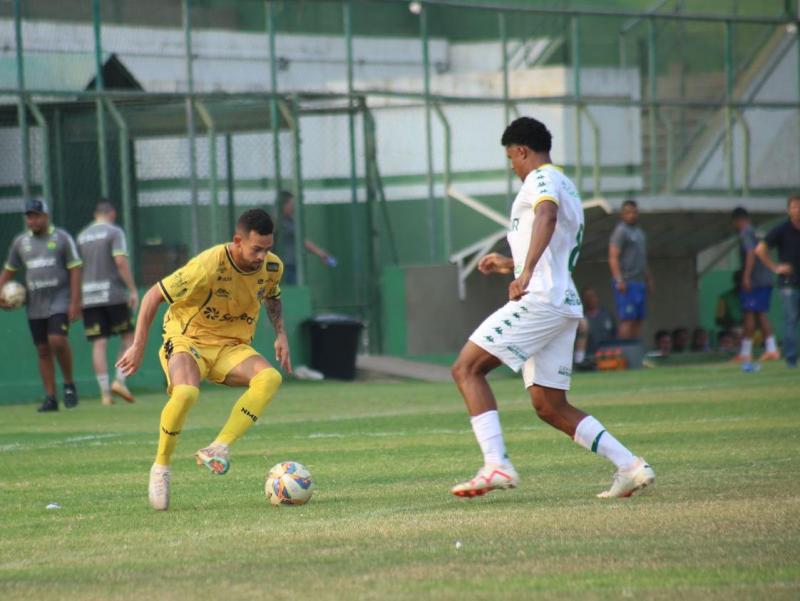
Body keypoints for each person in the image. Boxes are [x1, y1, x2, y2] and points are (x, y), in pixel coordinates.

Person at [449, 117, 654, 500]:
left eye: (512, 158)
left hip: (541, 299)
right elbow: (555, 243)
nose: (513, 166)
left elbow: (546, 216)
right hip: (562, 302)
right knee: (549, 404)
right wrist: (510, 263)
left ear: (522, 151)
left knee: (467, 368)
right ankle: (630, 466)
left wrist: (523, 273)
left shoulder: (540, 179)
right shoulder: (567, 185)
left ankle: (496, 464)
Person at [116, 209, 291, 510]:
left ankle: (218, 447)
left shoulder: (273, 267)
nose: (263, 256)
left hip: (231, 346)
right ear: (238, 241)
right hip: (188, 339)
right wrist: (138, 346)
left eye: (268, 248)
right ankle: (161, 468)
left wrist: (281, 334)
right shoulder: (208, 265)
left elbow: (272, 296)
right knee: (186, 393)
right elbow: (152, 296)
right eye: (256, 249)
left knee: (270, 378)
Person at [0, 199, 82, 412]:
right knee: (43, 349)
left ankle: (69, 384)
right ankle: (51, 397)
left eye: (36, 215)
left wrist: (75, 302)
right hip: (35, 304)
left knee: (56, 339)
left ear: (46, 216)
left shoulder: (62, 238)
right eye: (29, 216)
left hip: (60, 300)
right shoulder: (20, 243)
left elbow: (75, 269)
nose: (32, 220)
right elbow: (9, 270)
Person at [77, 200, 139, 405]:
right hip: (112, 294)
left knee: (99, 343)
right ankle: (119, 381)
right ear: (112, 213)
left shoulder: (82, 236)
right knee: (128, 337)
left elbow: (77, 269)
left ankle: (105, 394)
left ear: (96, 214)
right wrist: (131, 289)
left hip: (89, 296)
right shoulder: (114, 232)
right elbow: (121, 262)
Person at [755, 194, 800, 368]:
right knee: (790, 321)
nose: (797, 210)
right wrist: (775, 267)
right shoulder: (782, 229)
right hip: (789, 283)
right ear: (789, 210)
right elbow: (760, 250)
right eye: (794, 207)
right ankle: (791, 360)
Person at [731, 207, 779, 362]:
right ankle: (771, 349)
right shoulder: (756, 231)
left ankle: (747, 353)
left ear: (737, 220)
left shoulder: (746, 232)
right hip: (764, 278)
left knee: (750, 313)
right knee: (759, 313)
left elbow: (751, 252)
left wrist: (746, 276)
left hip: (755, 280)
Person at [608, 199, 654, 339]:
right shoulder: (621, 231)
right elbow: (613, 257)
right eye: (628, 213)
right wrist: (619, 279)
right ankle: (624, 352)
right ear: (622, 214)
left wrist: (649, 279)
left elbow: (642, 258)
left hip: (639, 282)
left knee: (638, 319)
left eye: (634, 212)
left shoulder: (640, 232)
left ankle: (634, 351)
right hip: (627, 282)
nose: (631, 215)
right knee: (627, 319)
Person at [276, 190, 336, 285]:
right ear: (283, 205)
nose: (293, 207)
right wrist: (320, 253)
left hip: (291, 264)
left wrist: (320, 253)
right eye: (291, 204)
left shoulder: (290, 220)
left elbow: (301, 240)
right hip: (283, 266)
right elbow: (303, 241)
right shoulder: (277, 221)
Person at [573, 286, 616, 366]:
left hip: (608, 356)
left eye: (592, 296)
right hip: (589, 358)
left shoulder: (606, 315)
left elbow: (615, 334)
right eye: (587, 297)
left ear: (597, 297)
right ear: (583, 300)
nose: (590, 299)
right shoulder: (581, 318)